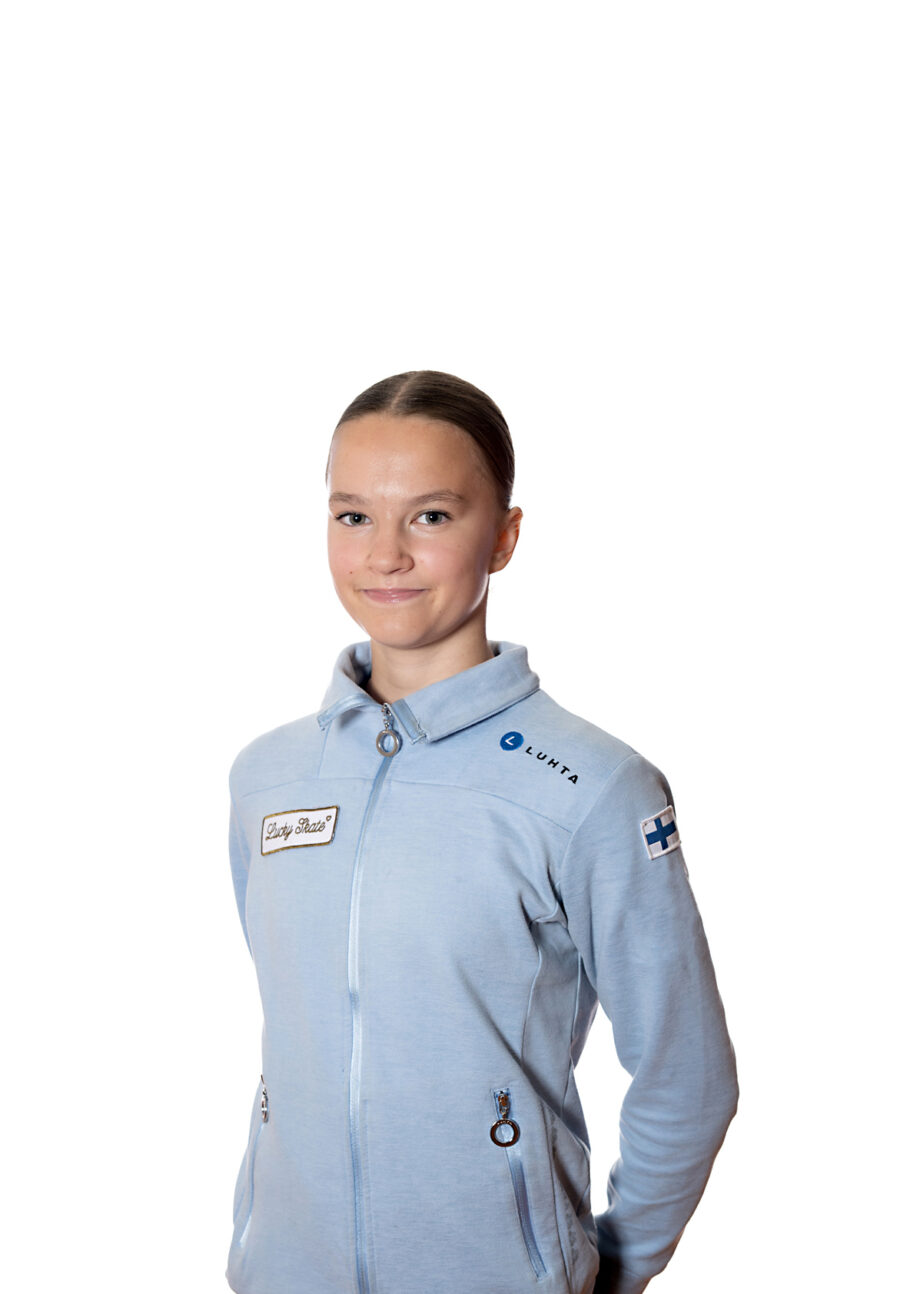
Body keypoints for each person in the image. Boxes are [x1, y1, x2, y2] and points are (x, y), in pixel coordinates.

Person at [225, 370, 738, 1294]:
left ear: (503, 536)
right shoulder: (269, 776)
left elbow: (688, 1073)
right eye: (353, 516)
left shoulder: (592, 786)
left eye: (430, 516)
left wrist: (606, 1273)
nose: (385, 555)